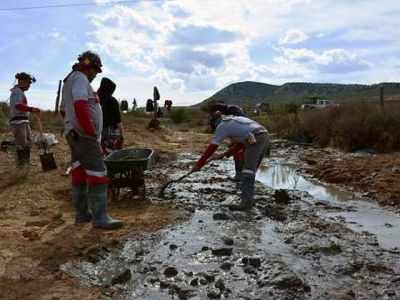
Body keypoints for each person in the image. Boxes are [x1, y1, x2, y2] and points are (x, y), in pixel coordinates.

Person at [62, 50, 123, 229]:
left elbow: (64, 110)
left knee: (79, 172)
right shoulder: (80, 78)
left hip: (74, 134)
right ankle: (100, 217)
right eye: (95, 71)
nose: (95, 75)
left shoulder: (70, 80)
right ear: (90, 67)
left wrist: (70, 127)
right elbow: (80, 105)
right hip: (84, 136)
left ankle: (82, 215)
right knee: (98, 173)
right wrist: (89, 131)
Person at [192, 116, 269, 211]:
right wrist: (224, 154)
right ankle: (249, 200)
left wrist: (199, 164)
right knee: (251, 170)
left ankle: (246, 203)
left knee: (247, 171)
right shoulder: (233, 123)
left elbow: (212, 147)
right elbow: (240, 145)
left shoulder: (222, 126)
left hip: (255, 138)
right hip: (264, 135)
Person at [9, 72, 41, 167]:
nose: (29, 85)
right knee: (22, 144)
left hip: (23, 121)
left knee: (27, 142)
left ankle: (26, 162)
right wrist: (32, 109)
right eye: (28, 83)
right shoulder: (17, 92)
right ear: (21, 81)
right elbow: (18, 105)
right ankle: (22, 164)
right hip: (18, 122)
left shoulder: (20, 92)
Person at [98, 77, 124, 156]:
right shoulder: (112, 101)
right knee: (111, 155)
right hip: (110, 132)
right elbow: (118, 121)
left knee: (100, 154)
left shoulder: (94, 99)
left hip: (96, 131)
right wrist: (122, 136)